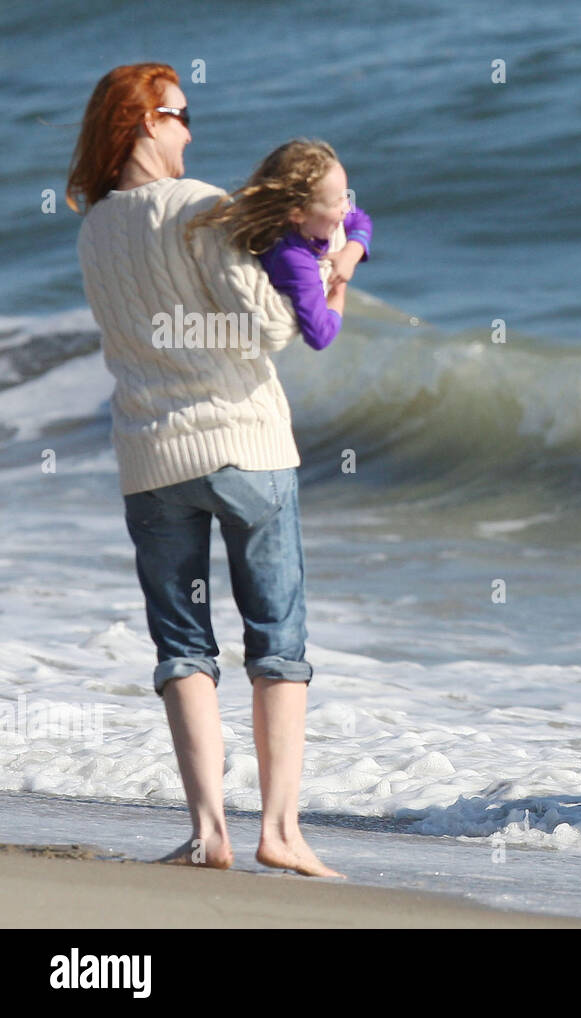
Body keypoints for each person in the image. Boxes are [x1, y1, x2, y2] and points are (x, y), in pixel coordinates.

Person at [67, 63, 340, 876]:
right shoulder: (203, 208)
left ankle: (207, 832)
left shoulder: (94, 230)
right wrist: (327, 272)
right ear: (147, 121)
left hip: (151, 458)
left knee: (182, 646)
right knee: (278, 646)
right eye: (182, 115)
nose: (191, 130)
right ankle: (281, 831)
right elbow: (270, 328)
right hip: (245, 447)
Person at [187, 138, 372, 351]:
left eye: (346, 196)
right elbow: (320, 335)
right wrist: (338, 289)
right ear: (297, 213)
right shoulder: (294, 259)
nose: (347, 207)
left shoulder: (313, 221)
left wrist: (350, 253)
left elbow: (361, 220)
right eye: (337, 202)